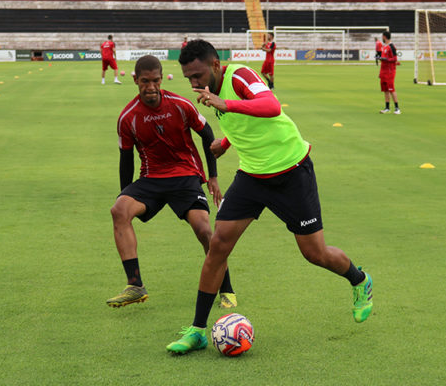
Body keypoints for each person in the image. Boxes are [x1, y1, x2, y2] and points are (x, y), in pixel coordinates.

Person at [166, 39, 372, 355]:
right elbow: (248, 124)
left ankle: (359, 280)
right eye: (189, 78)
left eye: (198, 75)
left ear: (215, 65)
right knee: (218, 244)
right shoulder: (211, 92)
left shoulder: (239, 76)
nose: (194, 83)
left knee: (315, 253)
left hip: (291, 172)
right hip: (252, 176)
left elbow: (270, 107)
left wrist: (226, 104)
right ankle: (197, 330)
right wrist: (226, 142)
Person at [107, 55, 237, 310]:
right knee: (118, 210)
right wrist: (124, 194)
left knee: (204, 230)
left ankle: (227, 289)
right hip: (151, 178)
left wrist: (212, 176)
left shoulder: (180, 104)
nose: (151, 87)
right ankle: (135, 285)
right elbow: (126, 159)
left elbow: (207, 133)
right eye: (145, 81)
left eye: (155, 80)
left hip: (185, 175)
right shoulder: (128, 117)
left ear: (161, 78)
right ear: (136, 80)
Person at [378, 31, 400, 114]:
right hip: (383, 71)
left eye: (382, 37)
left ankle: (397, 108)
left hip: (390, 71)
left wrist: (386, 59)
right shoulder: (384, 47)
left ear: (384, 37)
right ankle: (387, 108)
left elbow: (395, 59)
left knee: (391, 89)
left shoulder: (391, 46)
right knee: (385, 90)